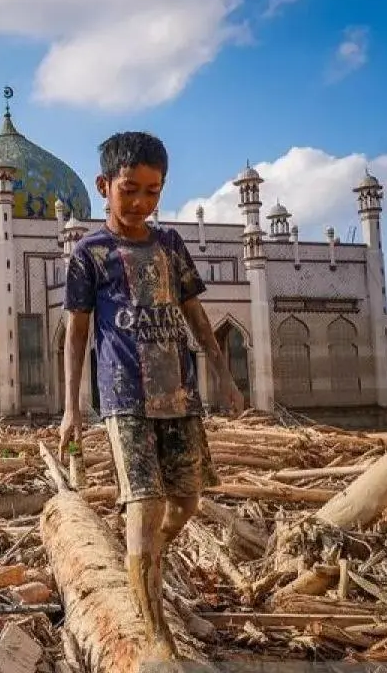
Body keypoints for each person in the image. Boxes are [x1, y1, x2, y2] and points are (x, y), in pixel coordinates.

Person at [59, 131, 246, 658]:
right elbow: (77, 332)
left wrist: (225, 379)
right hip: (125, 398)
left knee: (185, 503)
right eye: (129, 190)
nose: (141, 202)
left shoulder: (169, 246)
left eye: (153, 191)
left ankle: (142, 556)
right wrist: (71, 408)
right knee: (144, 504)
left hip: (179, 394)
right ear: (103, 186)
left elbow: (196, 316)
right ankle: (157, 639)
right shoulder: (89, 254)